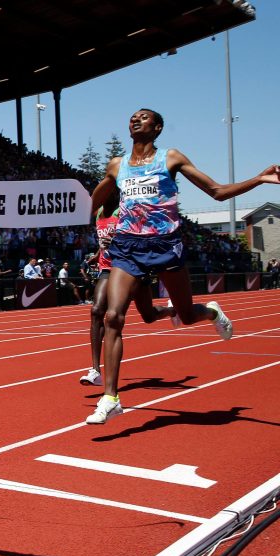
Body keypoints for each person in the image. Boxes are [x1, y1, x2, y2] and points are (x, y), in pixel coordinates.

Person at [86, 108, 279, 424]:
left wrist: (258, 179)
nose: (136, 120)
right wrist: (87, 199)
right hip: (127, 248)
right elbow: (92, 203)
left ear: (157, 127)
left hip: (165, 248)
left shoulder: (171, 158)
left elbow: (216, 192)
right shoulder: (117, 166)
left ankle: (212, 312)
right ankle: (111, 397)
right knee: (112, 316)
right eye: (133, 117)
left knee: (187, 315)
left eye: (144, 117)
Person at [80, 193, 176, 386]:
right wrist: (98, 253)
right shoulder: (98, 212)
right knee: (97, 310)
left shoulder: (125, 211)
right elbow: (104, 237)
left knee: (148, 316)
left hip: (128, 267)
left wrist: (114, 243)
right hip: (107, 267)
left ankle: (173, 310)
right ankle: (95, 370)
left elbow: (137, 237)